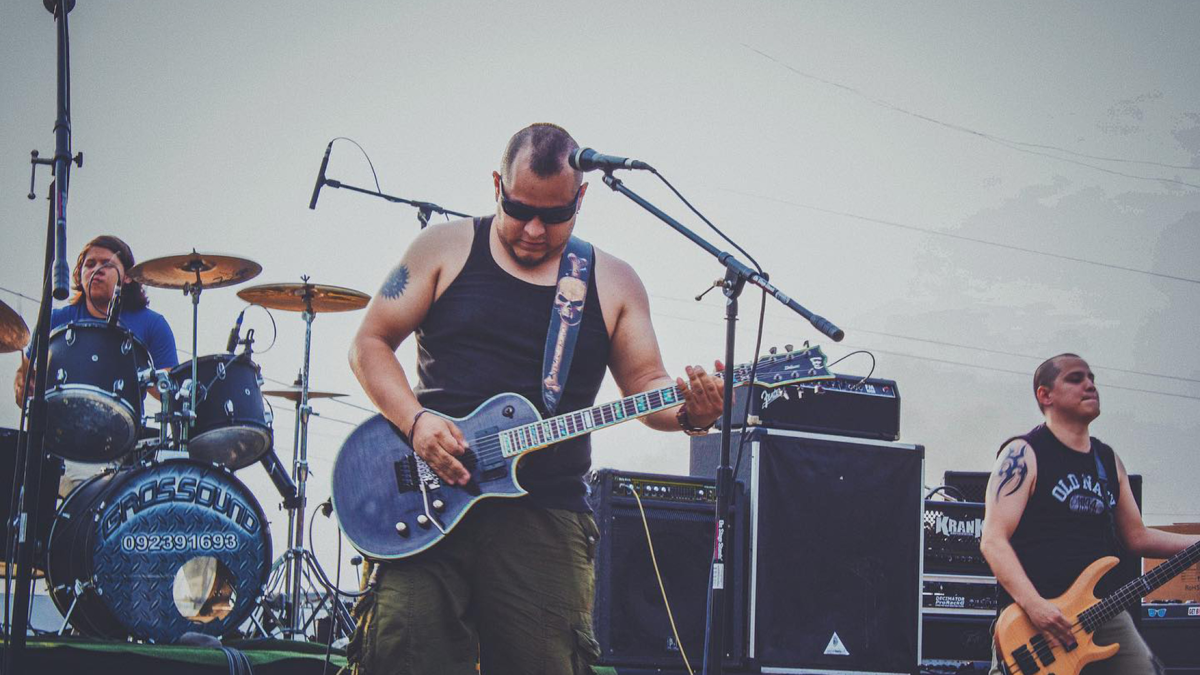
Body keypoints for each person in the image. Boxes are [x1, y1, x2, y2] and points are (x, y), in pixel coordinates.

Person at [346, 123, 724, 674]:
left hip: (545, 513)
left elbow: (646, 383)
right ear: (496, 185)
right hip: (423, 501)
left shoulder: (613, 281)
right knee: (402, 654)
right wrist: (417, 422)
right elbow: (369, 344)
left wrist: (691, 411)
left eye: (554, 215)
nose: (533, 229)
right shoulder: (442, 248)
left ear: (582, 197)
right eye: (519, 209)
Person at [980, 353, 1199, 675]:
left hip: (1102, 610)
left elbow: (1137, 537)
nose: (1089, 385)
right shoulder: (1023, 454)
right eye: (1075, 379)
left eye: (1092, 378)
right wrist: (1035, 606)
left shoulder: (1108, 461)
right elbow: (993, 541)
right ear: (1045, 395)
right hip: (1035, 617)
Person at [12, 235, 178, 493]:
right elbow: (24, 385)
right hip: (61, 439)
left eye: (106, 264)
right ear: (80, 276)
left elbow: (169, 391)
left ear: (127, 277)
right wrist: (24, 385)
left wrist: (152, 379)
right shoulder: (56, 320)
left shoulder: (152, 324)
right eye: (90, 264)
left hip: (122, 443)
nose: (96, 270)